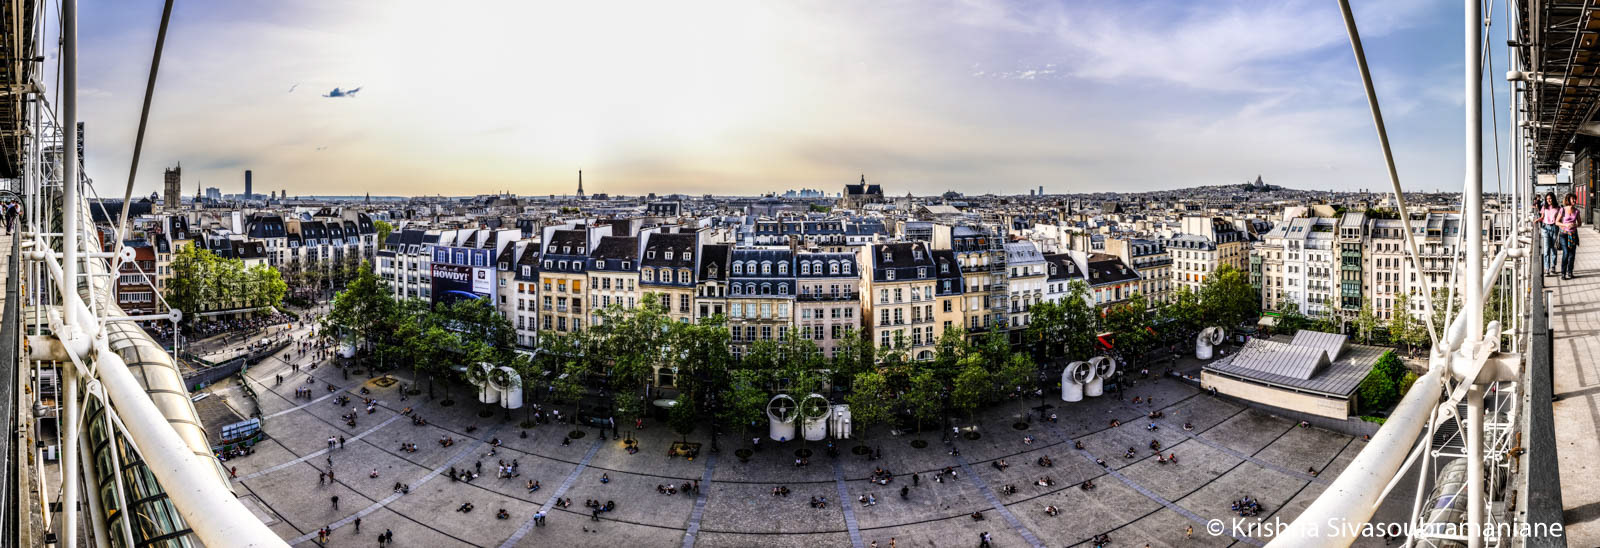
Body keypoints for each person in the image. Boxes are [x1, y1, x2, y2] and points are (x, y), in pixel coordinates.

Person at [1560, 194, 1583, 280]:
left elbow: (1580, 223)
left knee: (1572, 255)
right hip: (1564, 234)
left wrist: (1575, 225)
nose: (1574, 201)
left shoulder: (1576, 211)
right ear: (1568, 200)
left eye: (1575, 199)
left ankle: (1570, 272)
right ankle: (1563, 273)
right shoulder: (1562, 210)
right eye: (1573, 199)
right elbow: (1556, 222)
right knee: (1566, 253)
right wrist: (1565, 225)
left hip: (1573, 234)